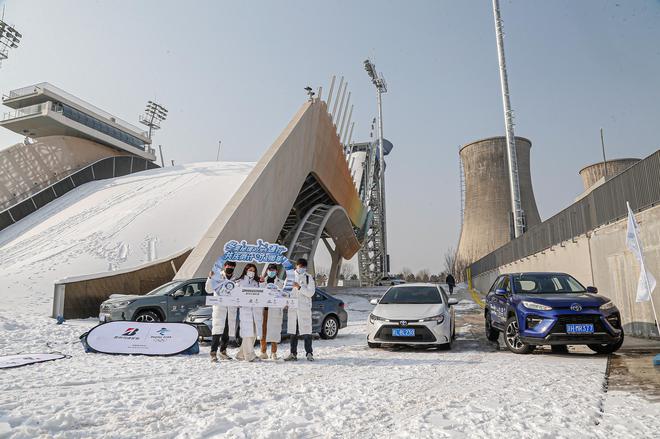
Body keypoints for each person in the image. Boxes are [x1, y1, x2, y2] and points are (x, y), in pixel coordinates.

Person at [205, 261, 238, 363]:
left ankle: (223, 351)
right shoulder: (217, 277)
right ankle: (213, 353)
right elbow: (208, 290)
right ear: (224, 266)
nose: (230, 268)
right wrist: (210, 278)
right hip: (220, 308)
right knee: (217, 331)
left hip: (230, 308)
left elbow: (238, 293)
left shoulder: (235, 279)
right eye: (229, 266)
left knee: (226, 332)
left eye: (232, 266)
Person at [285, 258, 316, 362]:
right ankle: (293, 353)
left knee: (307, 332)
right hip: (293, 309)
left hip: (304, 309)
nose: (302, 268)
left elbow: (311, 293)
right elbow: (285, 292)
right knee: (293, 333)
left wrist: (299, 287)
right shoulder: (290, 277)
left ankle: (309, 353)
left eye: (304, 267)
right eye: (300, 266)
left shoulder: (308, 278)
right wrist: (285, 302)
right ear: (296, 266)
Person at [235, 263, 263, 362]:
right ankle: (249, 355)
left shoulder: (257, 282)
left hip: (256, 311)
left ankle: (241, 354)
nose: (252, 272)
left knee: (254, 333)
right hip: (245, 312)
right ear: (246, 270)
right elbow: (235, 296)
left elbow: (263, 294)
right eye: (250, 270)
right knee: (248, 334)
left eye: (253, 270)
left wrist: (262, 283)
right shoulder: (239, 282)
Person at [259, 263, 285, 360]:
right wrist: (261, 283)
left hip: (275, 309)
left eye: (273, 269)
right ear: (267, 271)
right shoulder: (262, 281)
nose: (271, 271)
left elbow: (283, 295)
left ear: (276, 271)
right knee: (263, 331)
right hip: (265, 309)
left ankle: (274, 352)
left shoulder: (280, 283)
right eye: (270, 270)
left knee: (274, 331)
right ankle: (263, 351)